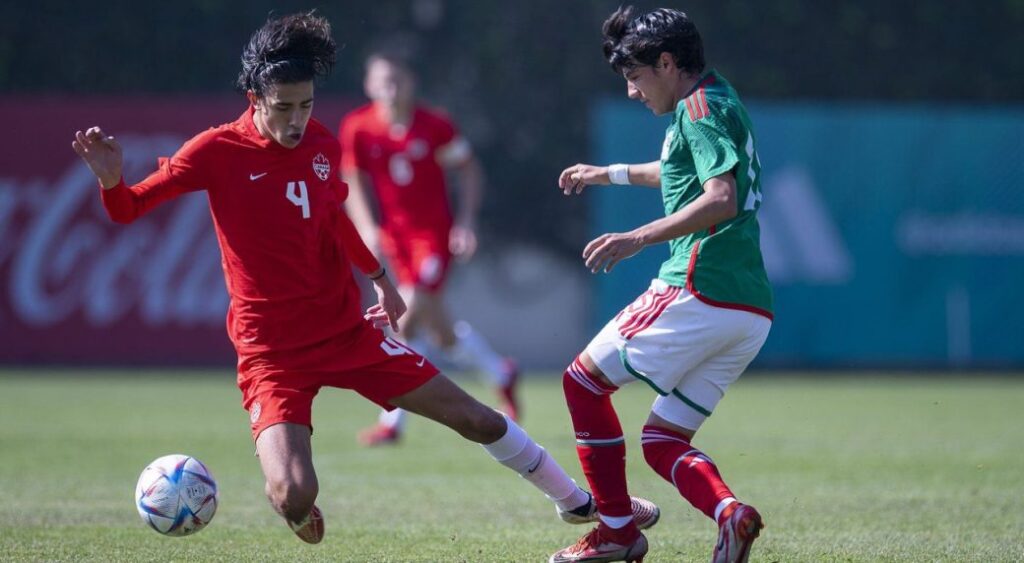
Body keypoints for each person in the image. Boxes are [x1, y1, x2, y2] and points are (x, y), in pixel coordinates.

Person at [71, 11, 658, 549]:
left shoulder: (323, 145)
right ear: (254, 99)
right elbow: (128, 209)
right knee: (292, 494)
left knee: (475, 417)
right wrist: (111, 180)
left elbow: (335, 223)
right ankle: (302, 513)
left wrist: (381, 279)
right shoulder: (215, 150)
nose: (297, 121)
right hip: (270, 353)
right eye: (284, 108)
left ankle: (583, 503)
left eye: (305, 105)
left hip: (346, 334)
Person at [549, 6, 773, 563]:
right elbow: (677, 171)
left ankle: (618, 534)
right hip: (749, 310)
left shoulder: (697, 111)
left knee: (582, 383)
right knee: (662, 442)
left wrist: (638, 238)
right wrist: (608, 173)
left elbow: (719, 197)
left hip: (700, 285)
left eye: (635, 76)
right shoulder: (715, 99)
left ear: (668, 63)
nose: (631, 91)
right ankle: (731, 514)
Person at [339, 48, 520, 447]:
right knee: (441, 336)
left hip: (433, 238)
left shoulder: (434, 125)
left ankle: (392, 423)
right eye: (382, 80)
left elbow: (470, 170)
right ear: (369, 86)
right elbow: (350, 179)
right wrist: (367, 227)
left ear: (411, 82)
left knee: (405, 314)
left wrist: (466, 222)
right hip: (395, 241)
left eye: (397, 79)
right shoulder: (359, 127)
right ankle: (501, 373)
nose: (390, 88)